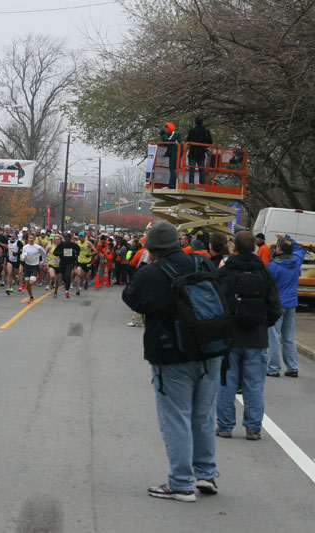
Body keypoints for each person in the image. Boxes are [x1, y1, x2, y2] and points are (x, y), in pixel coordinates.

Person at [122, 220, 223, 502]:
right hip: (209, 349)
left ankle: (180, 482)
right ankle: (206, 473)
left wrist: (147, 264)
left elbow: (132, 300)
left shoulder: (150, 273)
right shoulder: (202, 264)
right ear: (179, 242)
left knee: (176, 417)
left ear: (151, 247)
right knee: (203, 415)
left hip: (171, 354)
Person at [215, 231, 281, 441]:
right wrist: (262, 324)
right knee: (254, 384)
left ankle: (225, 426)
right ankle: (253, 427)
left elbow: (215, 303)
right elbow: (274, 308)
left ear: (234, 248)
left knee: (226, 382)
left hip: (229, 337)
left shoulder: (225, 273)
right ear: (254, 247)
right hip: (256, 336)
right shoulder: (264, 273)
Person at [266, 233, 304, 378]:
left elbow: (268, 284)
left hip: (277, 303)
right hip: (291, 302)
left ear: (279, 249)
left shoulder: (274, 266)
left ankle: (274, 368)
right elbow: (299, 248)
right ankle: (292, 367)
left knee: (274, 336)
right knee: (288, 336)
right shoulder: (297, 260)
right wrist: (288, 237)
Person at [186, 116, 213, 185]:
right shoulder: (206, 131)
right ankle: (202, 184)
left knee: (192, 169)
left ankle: (191, 183)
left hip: (193, 152)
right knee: (202, 169)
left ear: (195, 122)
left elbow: (188, 141)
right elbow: (210, 142)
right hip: (201, 153)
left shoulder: (192, 130)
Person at [53, 233, 80, 299]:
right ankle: (66, 284)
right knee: (63, 276)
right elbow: (54, 252)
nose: (67, 239)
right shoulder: (61, 245)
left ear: (70, 238)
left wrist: (76, 255)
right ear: (64, 238)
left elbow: (78, 249)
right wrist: (59, 253)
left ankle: (67, 291)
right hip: (63, 262)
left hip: (70, 262)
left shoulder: (73, 244)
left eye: (69, 238)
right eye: (66, 238)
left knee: (68, 274)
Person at [20, 233, 46, 303]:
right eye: (30, 238)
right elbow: (23, 256)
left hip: (34, 266)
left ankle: (35, 278)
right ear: (28, 239)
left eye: (32, 238)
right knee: (28, 284)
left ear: (34, 239)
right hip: (27, 266)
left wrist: (43, 261)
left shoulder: (38, 247)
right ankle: (31, 297)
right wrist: (24, 256)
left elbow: (44, 253)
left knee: (31, 282)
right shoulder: (25, 247)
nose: (31, 239)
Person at [161, 122, 181, 189]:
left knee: (172, 169)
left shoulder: (175, 133)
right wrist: (164, 136)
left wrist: (164, 135)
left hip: (176, 152)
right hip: (173, 153)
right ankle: (173, 184)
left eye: (166, 130)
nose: (165, 132)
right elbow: (166, 143)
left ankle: (172, 185)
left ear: (169, 128)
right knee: (172, 169)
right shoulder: (170, 134)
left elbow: (168, 141)